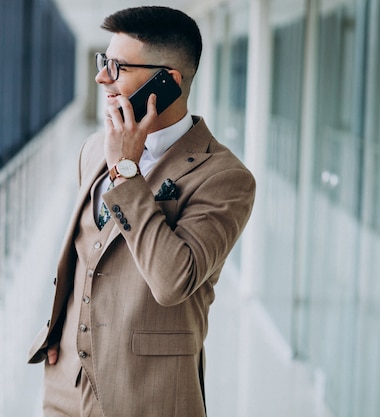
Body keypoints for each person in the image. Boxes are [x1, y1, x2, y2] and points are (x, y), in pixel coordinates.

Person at [28, 6, 256, 417]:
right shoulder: (93, 148)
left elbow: (173, 281)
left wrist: (127, 173)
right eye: (103, 61)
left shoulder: (226, 178)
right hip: (64, 388)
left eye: (117, 67)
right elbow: (85, 255)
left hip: (147, 397)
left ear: (166, 83)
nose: (102, 77)